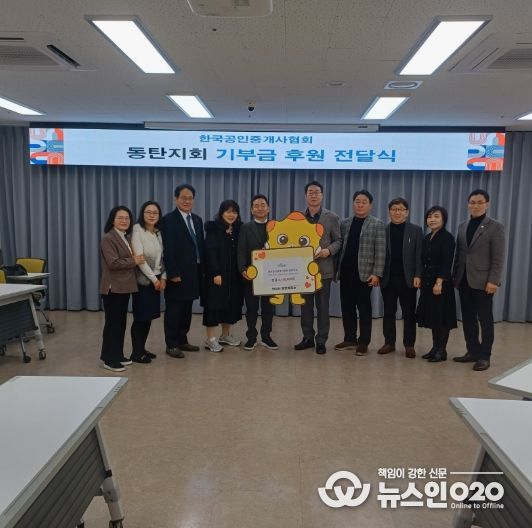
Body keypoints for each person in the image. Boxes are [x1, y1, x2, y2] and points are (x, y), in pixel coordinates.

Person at [452, 190, 505, 371]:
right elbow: (460, 254)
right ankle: (472, 351)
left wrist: (493, 281)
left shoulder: (495, 226)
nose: (475, 205)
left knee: (485, 319)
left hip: (484, 282)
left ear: (487, 204)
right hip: (463, 280)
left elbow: (498, 257)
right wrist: (455, 277)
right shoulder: (462, 225)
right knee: (468, 319)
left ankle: (484, 356)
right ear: (468, 204)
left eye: (479, 202)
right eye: (472, 202)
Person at [335, 190, 385, 356]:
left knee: (364, 309)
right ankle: (350, 338)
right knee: (347, 307)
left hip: (365, 274)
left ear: (370, 205)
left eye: (364, 202)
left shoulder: (377, 224)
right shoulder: (345, 223)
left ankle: (364, 342)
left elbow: (381, 251)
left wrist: (377, 273)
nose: (360, 204)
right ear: (353, 203)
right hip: (346, 272)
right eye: (357, 201)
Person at [294, 181, 341, 355]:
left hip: (324, 270)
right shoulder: (297, 217)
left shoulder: (332, 217)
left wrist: (328, 251)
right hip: (302, 271)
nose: (313, 195)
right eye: (310, 192)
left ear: (322, 195)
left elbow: (338, 240)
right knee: (305, 307)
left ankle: (321, 340)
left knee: (323, 307)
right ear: (305, 195)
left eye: (317, 192)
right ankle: (307, 337)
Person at [161, 184, 204, 358]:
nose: (187, 201)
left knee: (187, 309)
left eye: (190, 198)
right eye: (183, 198)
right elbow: (167, 249)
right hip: (177, 274)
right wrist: (172, 273)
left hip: (193, 273)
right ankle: (171, 344)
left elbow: (199, 247)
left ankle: (182, 340)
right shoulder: (168, 220)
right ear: (176, 199)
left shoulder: (197, 220)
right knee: (174, 310)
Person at [99, 205, 144, 372]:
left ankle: (117, 354)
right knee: (113, 325)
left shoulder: (125, 236)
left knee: (120, 323)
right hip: (113, 288)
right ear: (113, 220)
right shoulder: (108, 238)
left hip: (124, 287)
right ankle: (109, 359)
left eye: (127, 218)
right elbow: (113, 263)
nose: (124, 221)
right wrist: (134, 261)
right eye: (120, 218)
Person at [378, 198, 423, 358]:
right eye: (394, 209)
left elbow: (419, 254)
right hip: (388, 278)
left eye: (401, 209)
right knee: (388, 312)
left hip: (408, 279)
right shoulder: (383, 230)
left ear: (407, 212)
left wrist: (418, 274)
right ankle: (389, 342)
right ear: (389, 212)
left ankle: (409, 345)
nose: (397, 212)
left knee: (409, 313)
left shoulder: (416, 230)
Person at [237, 194, 278, 350]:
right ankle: (251, 337)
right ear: (251, 210)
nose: (260, 208)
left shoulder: (276, 226)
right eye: (256, 205)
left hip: (272, 275)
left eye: (263, 205)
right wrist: (242, 269)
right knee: (252, 308)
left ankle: (266, 336)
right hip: (251, 275)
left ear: (268, 208)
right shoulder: (245, 227)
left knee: (269, 308)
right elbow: (241, 250)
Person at [416, 206, 457, 362]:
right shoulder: (427, 238)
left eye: (436, 216)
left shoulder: (447, 237)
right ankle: (434, 347)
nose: (432, 219)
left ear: (443, 219)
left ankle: (442, 350)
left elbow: (447, 262)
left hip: (441, 282)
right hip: (427, 281)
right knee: (433, 316)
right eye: (429, 216)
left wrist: (439, 282)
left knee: (442, 317)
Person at [203, 200, 244, 352]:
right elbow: (210, 252)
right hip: (217, 275)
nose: (231, 215)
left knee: (230, 304)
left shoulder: (239, 229)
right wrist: (215, 273)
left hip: (234, 275)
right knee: (213, 306)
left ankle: (225, 335)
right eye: (228, 211)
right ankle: (210, 339)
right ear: (221, 213)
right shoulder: (213, 229)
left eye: (234, 212)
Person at [130, 200, 166, 364]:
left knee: (148, 317)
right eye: (148, 212)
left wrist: (162, 277)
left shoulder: (158, 232)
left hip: (156, 279)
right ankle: (136, 353)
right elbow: (140, 259)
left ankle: (142, 348)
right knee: (140, 317)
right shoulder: (137, 230)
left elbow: (163, 257)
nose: (152, 215)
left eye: (155, 212)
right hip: (143, 281)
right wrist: (154, 279)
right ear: (142, 214)